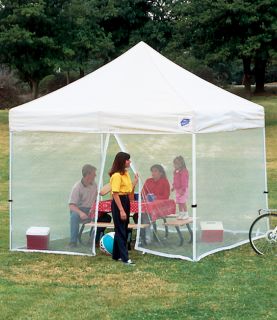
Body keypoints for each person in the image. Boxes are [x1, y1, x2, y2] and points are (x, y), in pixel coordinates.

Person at [69, 164, 111, 247]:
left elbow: (99, 194)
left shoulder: (94, 185)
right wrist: (81, 213)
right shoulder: (77, 187)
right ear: (88, 174)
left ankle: (93, 240)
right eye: (93, 173)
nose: (95, 175)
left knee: (107, 218)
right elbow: (71, 205)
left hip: (92, 210)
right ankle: (73, 242)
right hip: (80, 209)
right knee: (74, 216)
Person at [109, 152, 138, 266]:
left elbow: (129, 188)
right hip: (118, 202)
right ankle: (125, 258)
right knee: (121, 230)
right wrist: (121, 210)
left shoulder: (125, 173)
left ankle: (116, 255)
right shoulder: (116, 175)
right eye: (128, 160)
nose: (130, 162)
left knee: (123, 228)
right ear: (122, 161)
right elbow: (115, 193)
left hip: (125, 200)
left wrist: (135, 180)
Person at [133, 164, 170, 244]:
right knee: (136, 215)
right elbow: (142, 193)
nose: (153, 173)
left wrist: (155, 197)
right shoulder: (148, 181)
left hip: (159, 208)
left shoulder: (164, 182)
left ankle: (147, 238)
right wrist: (145, 197)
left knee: (145, 216)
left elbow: (166, 196)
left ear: (161, 173)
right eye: (152, 171)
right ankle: (141, 236)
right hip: (148, 207)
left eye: (155, 171)